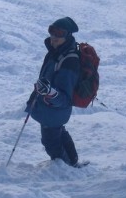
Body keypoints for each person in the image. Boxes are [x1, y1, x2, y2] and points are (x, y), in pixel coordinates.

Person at [25, 16, 83, 167]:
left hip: (55, 110)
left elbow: (65, 97)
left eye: (59, 33)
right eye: (52, 32)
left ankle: (65, 167)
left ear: (68, 35)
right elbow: (44, 77)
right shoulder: (54, 52)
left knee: (51, 142)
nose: (54, 37)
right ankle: (73, 160)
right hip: (49, 109)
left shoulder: (70, 61)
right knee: (58, 133)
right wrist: (35, 97)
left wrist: (50, 93)